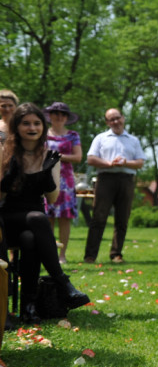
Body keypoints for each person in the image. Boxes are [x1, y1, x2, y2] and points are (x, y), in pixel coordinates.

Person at [0, 104, 90, 323]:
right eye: (26, 123)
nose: (32, 128)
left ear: (43, 126)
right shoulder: (4, 151)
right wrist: (9, 176)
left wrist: (47, 176)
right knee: (38, 218)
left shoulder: (49, 155)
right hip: (6, 220)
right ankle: (62, 283)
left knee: (30, 239)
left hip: (33, 225)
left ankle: (28, 307)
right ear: (17, 126)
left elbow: (52, 198)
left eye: (37, 123)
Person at [83, 108, 145, 264]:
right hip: (105, 179)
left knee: (122, 218)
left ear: (123, 118)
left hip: (126, 180)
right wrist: (109, 163)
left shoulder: (133, 140)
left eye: (117, 118)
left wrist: (125, 162)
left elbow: (140, 162)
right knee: (98, 217)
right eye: (111, 119)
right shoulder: (101, 138)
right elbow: (91, 159)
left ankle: (116, 254)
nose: (115, 121)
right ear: (107, 122)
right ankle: (90, 255)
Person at [44, 102, 82, 264]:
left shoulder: (73, 135)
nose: (59, 117)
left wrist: (56, 156)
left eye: (63, 114)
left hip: (66, 181)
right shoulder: (42, 133)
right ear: (50, 115)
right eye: (56, 113)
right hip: (45, 178)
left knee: (65, 218)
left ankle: (62, 255)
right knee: (47, 218)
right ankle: (49, 254)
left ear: (67, 118)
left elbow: (78, 157)